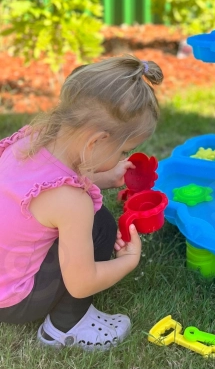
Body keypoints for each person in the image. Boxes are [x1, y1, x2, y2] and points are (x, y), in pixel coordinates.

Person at [0, 55, 163, 351]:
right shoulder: (72, 203)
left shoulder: (33, 140)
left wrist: (103, 176)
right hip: (13, 300)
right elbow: (82, 282)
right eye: (123, 150)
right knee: (100, 225)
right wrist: (128, 261)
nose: (124, 157)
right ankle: (66, 325)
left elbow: (44, 190)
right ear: (96, 142)